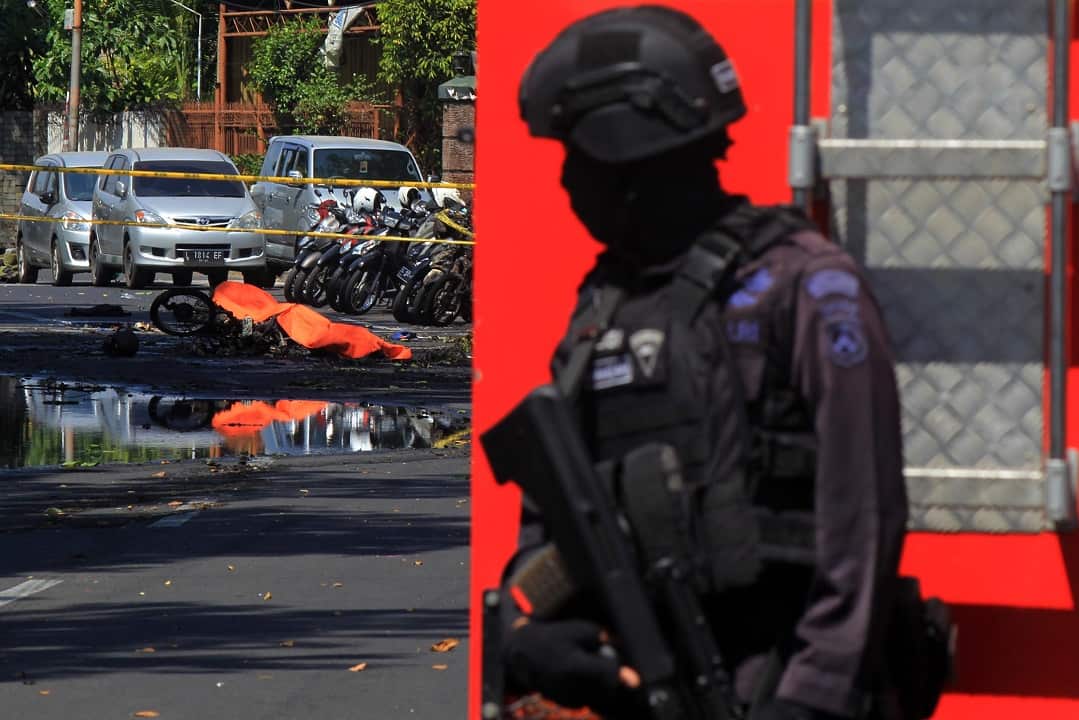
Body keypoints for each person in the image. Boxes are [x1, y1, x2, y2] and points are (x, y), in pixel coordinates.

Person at [496, 5, 910, 720]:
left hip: (778, 685)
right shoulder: (605, 310)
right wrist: (532, 627)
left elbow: (863, 517)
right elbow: (561, 510)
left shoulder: (802, 285)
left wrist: (813, 696)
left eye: (578, 158)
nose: (568, 181)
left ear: (629, 157)